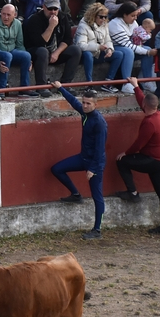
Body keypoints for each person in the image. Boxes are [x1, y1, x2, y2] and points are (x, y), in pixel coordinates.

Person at [49, 83, 107, 239]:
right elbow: (73, 101)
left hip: (95, 164)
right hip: (83, 158)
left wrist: (93, 168)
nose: (85, 106)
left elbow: (100, 149)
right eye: (84, 102)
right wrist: (60, 88)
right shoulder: (84, 111)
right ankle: (75, 194)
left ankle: (97, 230)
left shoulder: (99, 123)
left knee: (97, 196)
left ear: (96, 104)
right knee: (57, 169)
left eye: (89, 103)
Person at [23, 0, 80, 97]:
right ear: (44, 7)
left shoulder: (63, 17)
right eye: (50, 8)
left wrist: (57, 53)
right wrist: (51, 26)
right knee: (42, 51)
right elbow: (39, 42)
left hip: (54, 51)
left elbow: (68, 39)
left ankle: (65, 85)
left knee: (75, 50)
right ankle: (41, 86)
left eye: (55, 9)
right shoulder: (35, 19)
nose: (53, 11)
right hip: (36, 52)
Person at [0, 3, 34, 96]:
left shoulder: (18, 24)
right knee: (7, 56)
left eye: (8, 15)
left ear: (14, 15)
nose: (5, 17)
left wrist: (29, 61)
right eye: (3, 14)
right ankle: (1, 89)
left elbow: (20, 45)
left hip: (11, 50)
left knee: (26, 55)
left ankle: (24, 88)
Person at [107, 1, 157, 91]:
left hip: (128, 46)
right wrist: (147, 52)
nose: (135, 18)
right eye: (133, 16)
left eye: (136, 15)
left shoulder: (133, 23)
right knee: (129, 51)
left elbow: (136, 40)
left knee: (148, 48)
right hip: (114, 48)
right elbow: (127, 45)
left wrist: (146, 37)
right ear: (125, 15)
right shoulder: (115, 24)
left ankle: (147, 81)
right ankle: (127, 83)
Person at [74, 3, 123, 92]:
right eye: (101, 17)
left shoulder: (104, 25)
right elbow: (81, 45)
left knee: (118, 54)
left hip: (98, 53)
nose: (103, 19)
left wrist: (109, 49)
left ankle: (107, 83)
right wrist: (98, 47)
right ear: (93, 16)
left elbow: (108, 40)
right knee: (88, 55)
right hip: (85, 55)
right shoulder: (83, 25)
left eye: (105, 17)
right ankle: (89, 84)